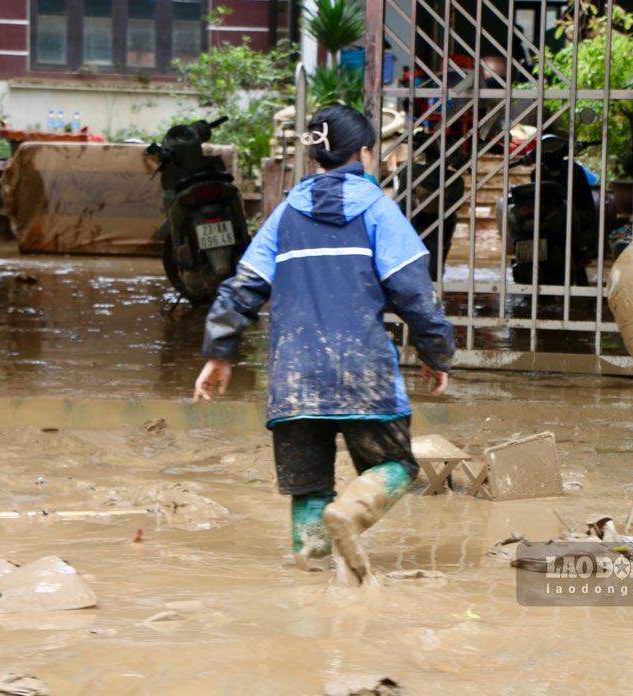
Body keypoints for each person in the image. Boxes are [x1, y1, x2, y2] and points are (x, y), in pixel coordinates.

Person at [193, 105, 456, 584]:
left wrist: (219, 352)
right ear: (364, 153)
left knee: (309, 489)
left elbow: (243, 287)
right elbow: (417, 294)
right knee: (396, 464)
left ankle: (313, 582)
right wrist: (437, 354)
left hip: (293, 380)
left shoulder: (283, 216)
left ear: (314, 155)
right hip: (364, 374)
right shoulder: (379, 210)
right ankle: (352, 512)